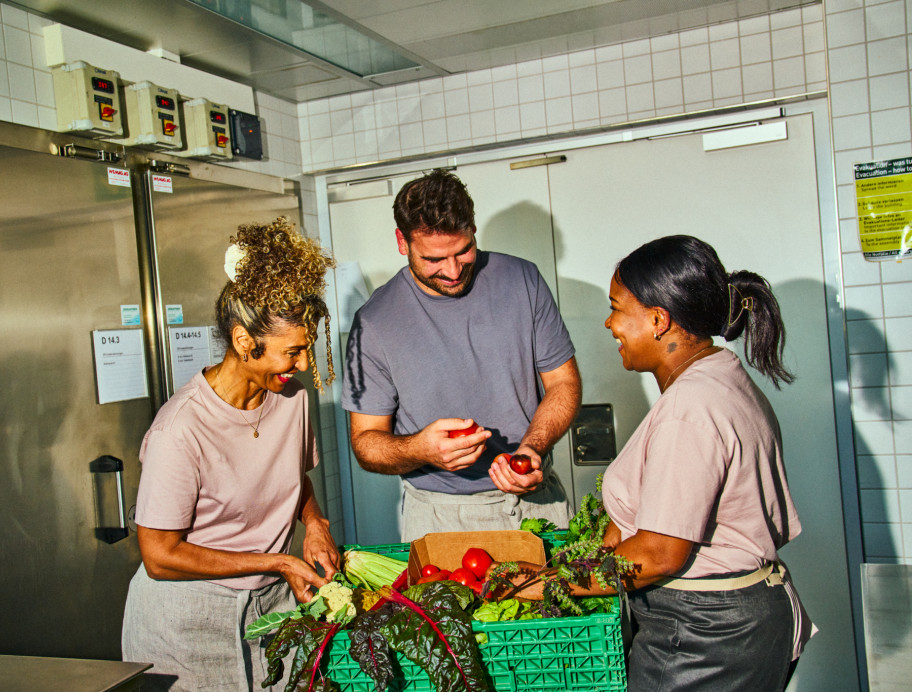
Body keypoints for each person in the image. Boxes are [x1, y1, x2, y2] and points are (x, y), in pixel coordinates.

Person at [506, 235, 816, 691]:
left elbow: (657, 554)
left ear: (657, 319)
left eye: (616, 308)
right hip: (738, 618)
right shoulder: (720, 374)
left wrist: (548, 583)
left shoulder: (690, 409)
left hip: (706, 635)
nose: (610, 324)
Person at [122, 217, 340, 691]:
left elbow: (291, 477)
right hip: (186, 619)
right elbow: (159, 555)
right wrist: (277, 562)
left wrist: (315, 523)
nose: (303, 365)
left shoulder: (292, 399)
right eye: (293, 352)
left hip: (271, 604)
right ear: (244, 342)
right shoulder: (180, 429)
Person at [342, 169, 581, 541]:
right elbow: (366, 443)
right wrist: (420, 449)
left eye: (463, 250)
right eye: (434, 259)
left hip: (536, 501)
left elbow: (563, 383)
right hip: (439, 518)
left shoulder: (523, 280)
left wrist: (532, 448)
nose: (453, 271)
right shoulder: (374, 322)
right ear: (402, 242)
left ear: (472, 229)